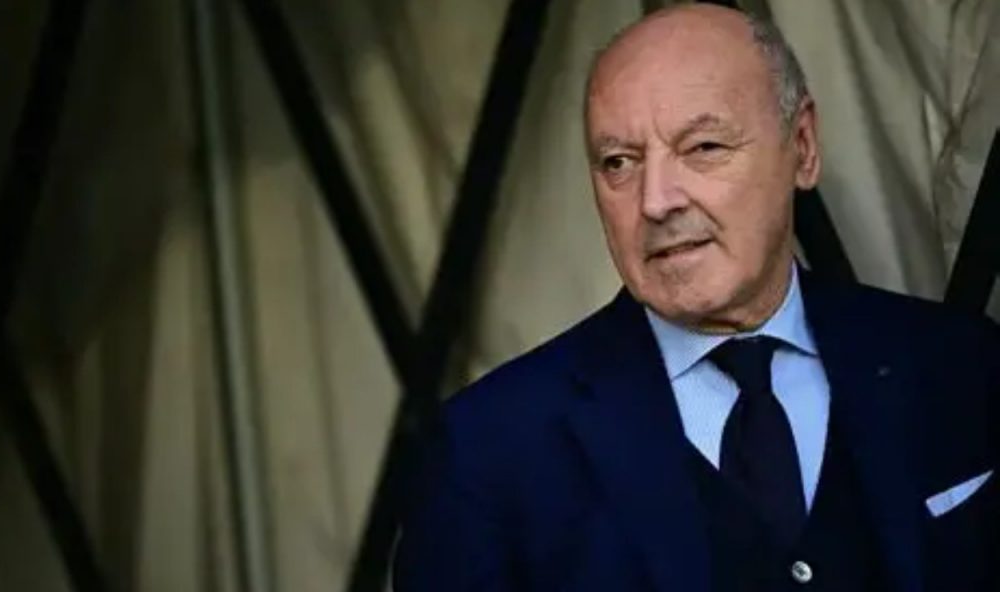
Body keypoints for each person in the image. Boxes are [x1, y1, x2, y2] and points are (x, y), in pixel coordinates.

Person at [393, 5, 999, 591]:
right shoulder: (486, 451)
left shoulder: (961, 365)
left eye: (703, 148)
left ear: (803, 146)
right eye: (619, 162)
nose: (656, 201)